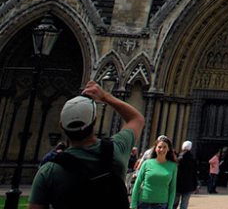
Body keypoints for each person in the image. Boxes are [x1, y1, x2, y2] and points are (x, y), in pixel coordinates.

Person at [29, 80, 145, 209]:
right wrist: (105, 96)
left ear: (61, 125)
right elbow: (136, 119)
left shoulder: (48, 171)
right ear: (95, 120)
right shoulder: (115, 151)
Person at [131, 136, 178, 209]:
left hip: (161, 205)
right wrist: (133, 204)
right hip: (143, 203)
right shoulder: (146, 163)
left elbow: (172, 188)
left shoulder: (173, 166)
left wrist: (170, 206)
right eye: (159, 147)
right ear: (155, 148)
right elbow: (137, 184)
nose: (162, 149)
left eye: (164, 147)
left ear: (168, 149)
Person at [174, 141, 198, 209]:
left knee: (174, 203)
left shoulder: (178, 159)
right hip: (188, 184)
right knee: (184, 204)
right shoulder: (192, 159)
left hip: (177, 184)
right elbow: (194, 174)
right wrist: (195, 185)